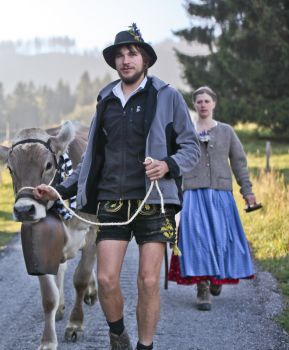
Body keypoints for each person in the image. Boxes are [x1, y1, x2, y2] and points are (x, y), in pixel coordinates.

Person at [32, 24, 200, 350]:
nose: (125, 60)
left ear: (145, 60)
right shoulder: (106, 102)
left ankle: (145, 346)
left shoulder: (168, 96)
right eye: (120, 55)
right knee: (107, 281)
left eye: (132, 54)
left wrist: (168, 165)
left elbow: (190, 147)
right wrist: (61, 189)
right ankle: (118, 334)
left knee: (148, 281)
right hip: (112, 199)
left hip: (155, 198)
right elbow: (92, 159)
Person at [167, 86, 257, 311]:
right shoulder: (185, 132)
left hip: (220, 194)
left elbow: (239, 163)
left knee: (220, 239)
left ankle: (217, 277)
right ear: (194, 105)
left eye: (207, 101)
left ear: (214, 104)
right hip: (193, 194)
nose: (203, 105)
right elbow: (174, 161)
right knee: (197, 241)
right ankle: (203, 287)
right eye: (199, 101)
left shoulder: (226, 131)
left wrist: (247, 191)